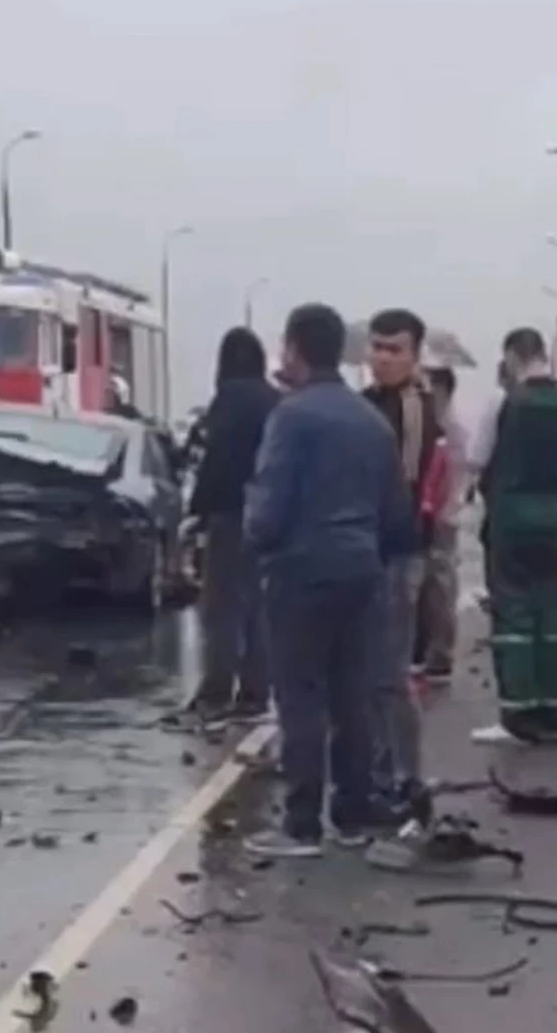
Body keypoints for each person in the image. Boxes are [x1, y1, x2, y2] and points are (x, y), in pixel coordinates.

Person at [244, 302, 414, 857]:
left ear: (293, 349)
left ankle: (301, 823)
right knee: (352, 695)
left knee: (300, 697)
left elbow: (268, 509)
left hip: (301, 570)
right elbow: (396, 513)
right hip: (361, 570)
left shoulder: (291, 417)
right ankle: (354, 809)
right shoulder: (370, 421)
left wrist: (258, 542)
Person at [469, 327, 557, 747]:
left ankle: (519, 716)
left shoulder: (504, 401)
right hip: (556, 517)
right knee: (553, 611)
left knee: (514, 612)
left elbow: (477, 457)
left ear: (513, 357)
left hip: (512, 517)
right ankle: (555, 710)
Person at [362, 309, 442, 813]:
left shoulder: (415, 409)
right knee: (367, 670)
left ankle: (407, 777)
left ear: (414, 355)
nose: (383, 357)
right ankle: (377, 769)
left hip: (398, 550)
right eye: (377, 347)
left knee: (390, 672)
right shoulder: (369, 403)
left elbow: (408, 484)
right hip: (366, 549)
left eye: (395, 349)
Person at [184, 327, 278, 722]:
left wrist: (198, 510)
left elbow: (215, 460)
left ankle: (216, 692)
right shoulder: (274, 400)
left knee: (221, 608)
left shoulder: (228, 400)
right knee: (258, 607)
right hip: (267, 515)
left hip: (230, 514)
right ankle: (255, 693)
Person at [412, 365, 468, 685]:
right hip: (436, 513)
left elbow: (454, 477)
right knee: (431, 584)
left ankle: (440, 653)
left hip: (444, 515)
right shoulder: (438, 426)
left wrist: (441, 508)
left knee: (440, 584)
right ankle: (429, 650)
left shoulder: (450, 430)